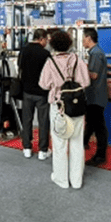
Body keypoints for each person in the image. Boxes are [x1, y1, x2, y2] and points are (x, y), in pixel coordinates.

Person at [38, 30, 90, 190]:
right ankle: (76, 180)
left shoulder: (50, 62)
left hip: (58, 106)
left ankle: (61, 179)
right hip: (76, 105)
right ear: (69, 44)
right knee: (77, 142)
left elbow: (43, 84)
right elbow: (86, 82)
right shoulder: (77, 60)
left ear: (53, 45)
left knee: (59, 143)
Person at [17, 29, 51, 160]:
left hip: (27, 91)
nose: (47, 42)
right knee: (43, 122)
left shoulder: (23, 51)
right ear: (41, 39)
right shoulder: (45, 54)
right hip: (42, 93)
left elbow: (19, 67)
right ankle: (43, 150)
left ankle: (27, 148)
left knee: (27, 120)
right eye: (46, 40)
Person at [82, 28, 109, 167]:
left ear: (89, 38)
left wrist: (80, 70)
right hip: (93, 95)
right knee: (91, 122)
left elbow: (94, 75)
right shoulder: (94, 52)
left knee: (99, 126)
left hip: (96, 95)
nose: (82, 41)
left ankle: (100, 155)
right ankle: (84, 142)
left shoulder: (96, 53)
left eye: (83, 38)